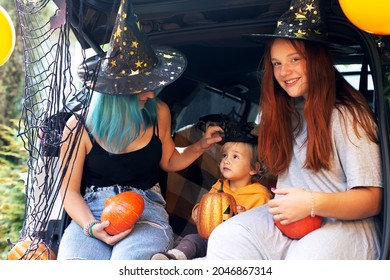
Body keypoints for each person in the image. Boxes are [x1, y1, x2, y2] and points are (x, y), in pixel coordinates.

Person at [206, 0, 383, 260]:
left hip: (347, 223)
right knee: (226, 237)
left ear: (317, 61)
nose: (283, 71)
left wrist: (312, 203)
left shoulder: (347, 114)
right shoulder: (285, 115)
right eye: (276, 63)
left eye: (294, 59)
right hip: (290, 220)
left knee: (304, 259)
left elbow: (373, 200)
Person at [56, 0, 223, 260]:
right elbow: (69, 191)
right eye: (141, 87)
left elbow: (168, 160)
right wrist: (91, 227)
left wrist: (201, 145)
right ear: (116, 92)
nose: (150, 92)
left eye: (151, 84)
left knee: (129, 266)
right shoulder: (78, 127)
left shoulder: (158, 113)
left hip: (146, 211)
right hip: (91, 213)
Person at [151, 119, 273, 260]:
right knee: (192, 239)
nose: (227, 161)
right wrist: (198, 211)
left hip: (237, 245)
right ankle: (173, 257)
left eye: (235, 157)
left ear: (253, 168)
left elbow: (262, 229)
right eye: (225, 156)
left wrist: (245, 216)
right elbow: (206, 207)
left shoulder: (260, 195)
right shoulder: (219, 186)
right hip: (209, 238)